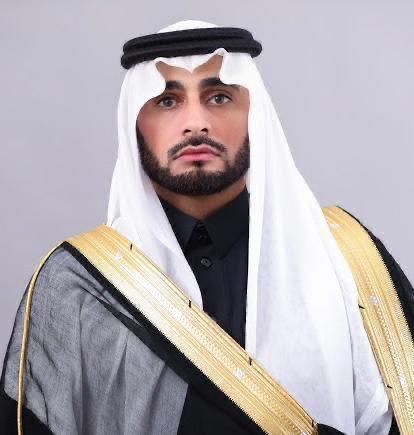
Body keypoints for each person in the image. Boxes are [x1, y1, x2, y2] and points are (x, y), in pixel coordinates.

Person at [1, 20, 413, 435]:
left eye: (219, 97)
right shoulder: (82, 284)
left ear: (255, 115)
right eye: (167, 101)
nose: (195, 123)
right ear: (134, 122)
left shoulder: (346, 257)